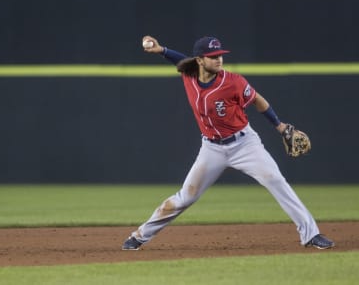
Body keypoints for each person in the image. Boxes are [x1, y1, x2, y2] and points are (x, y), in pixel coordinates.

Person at [122, 35, 334, 250]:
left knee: (276, 180)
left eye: (220, 56)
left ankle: (311, 234)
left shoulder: (233, 81)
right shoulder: (189, 74)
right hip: (211, 148)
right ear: (200, 60)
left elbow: (259, 100)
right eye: (213, 57)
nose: (219, 60)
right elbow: (180, 60)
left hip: (245, 144)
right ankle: (139, 237)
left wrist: (279, 126)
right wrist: (160, 50)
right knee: (186, 197)